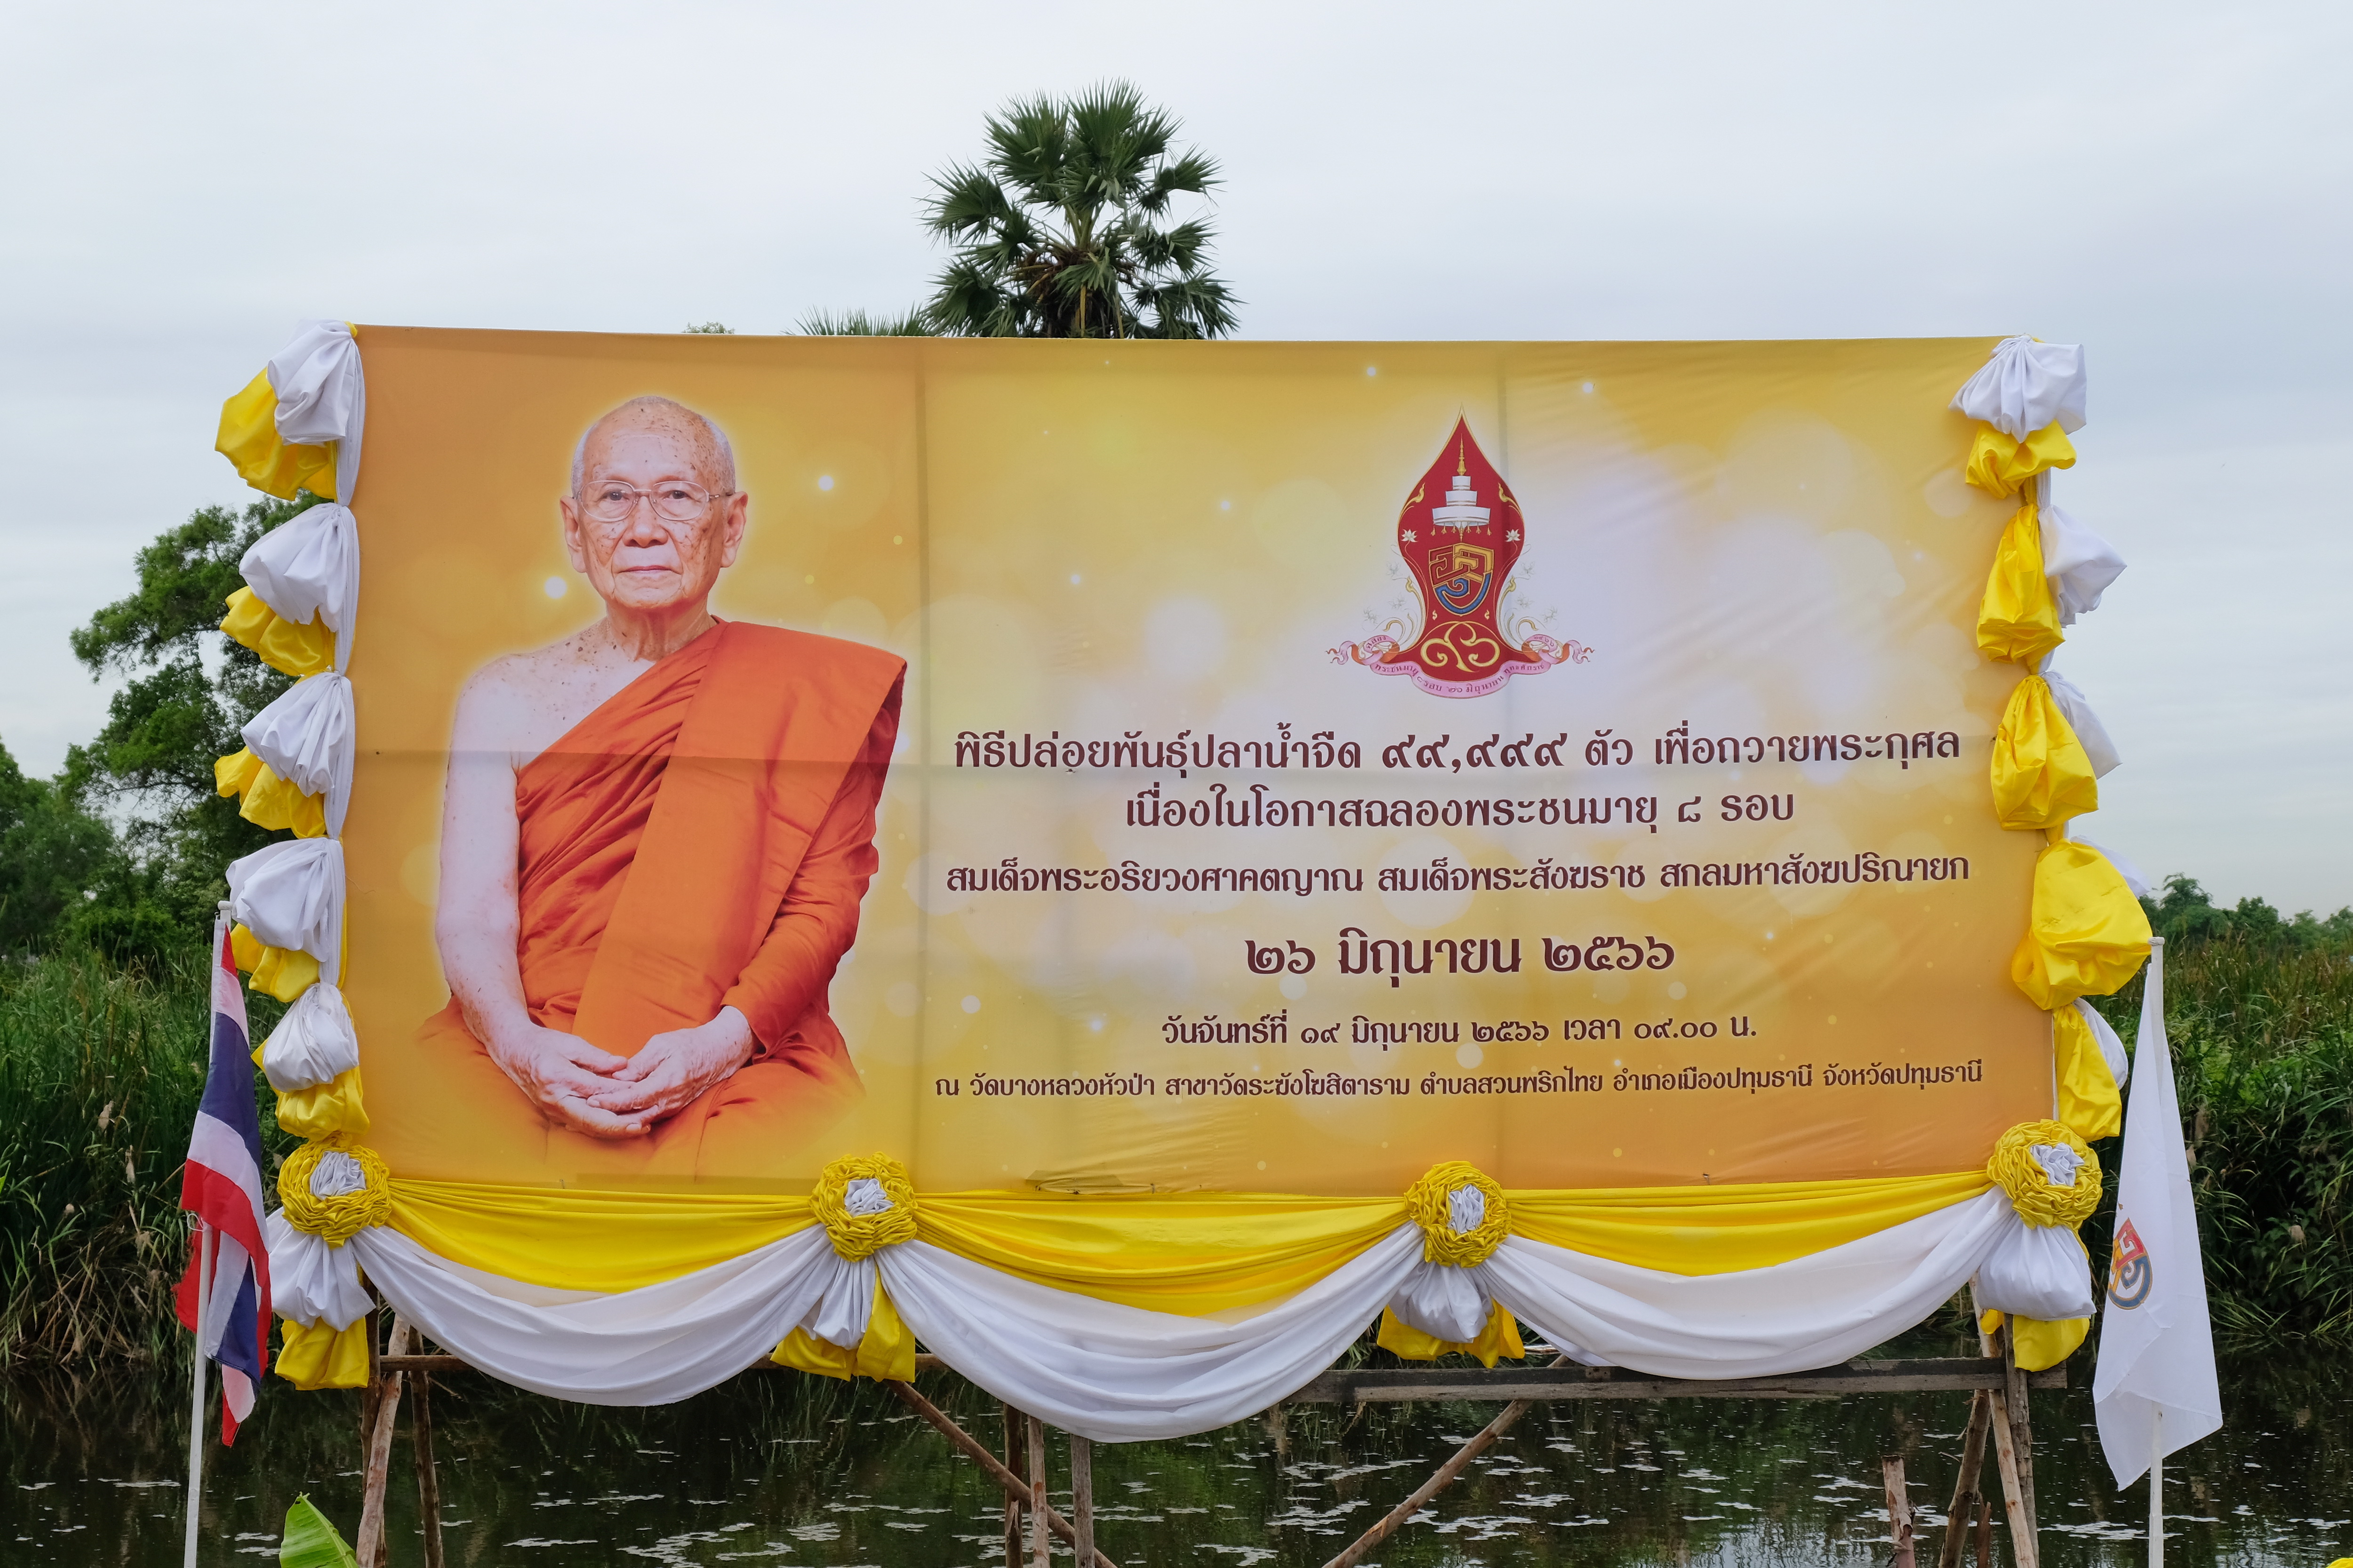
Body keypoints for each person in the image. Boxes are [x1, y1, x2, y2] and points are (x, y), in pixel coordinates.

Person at [412, 395, 904, 1176]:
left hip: (740, 1052)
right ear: (576, 531)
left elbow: (823, 909)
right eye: (614, 498)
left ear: (732, 525)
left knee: (787, 1158)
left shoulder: (810, 693)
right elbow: (474, 913)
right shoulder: (507, 695)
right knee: (432, 1136)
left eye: (677, 496)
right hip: (535, 1045)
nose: (643, 528)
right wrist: (519, 1047)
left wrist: (723, 1042)